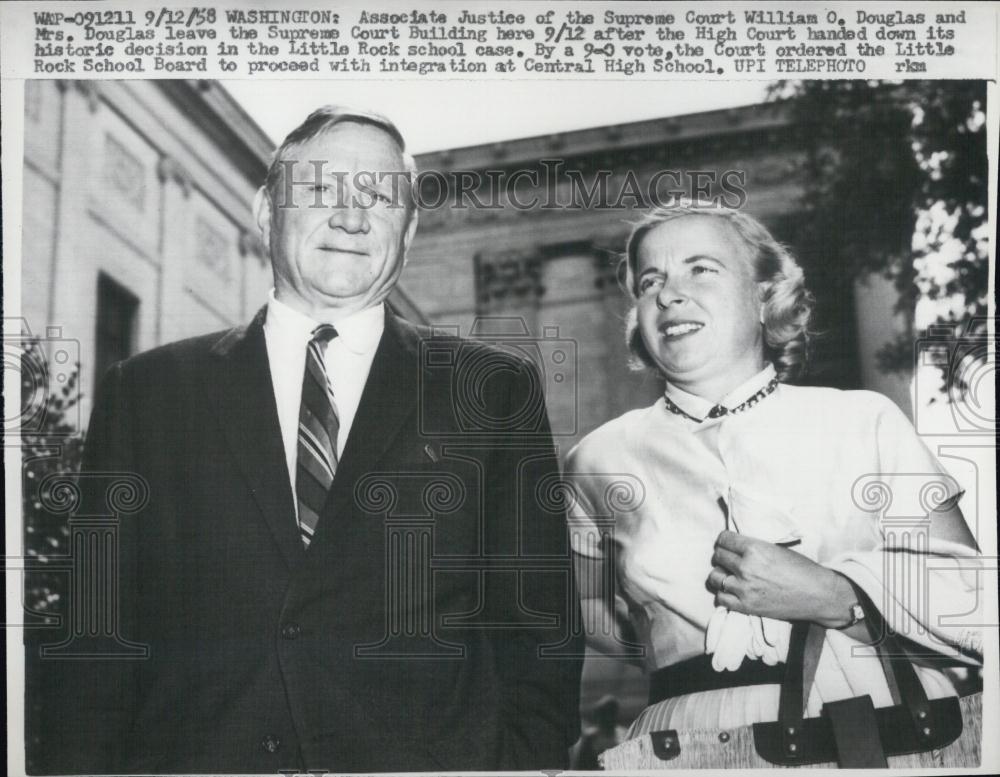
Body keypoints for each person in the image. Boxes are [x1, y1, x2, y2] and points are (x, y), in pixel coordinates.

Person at [41, 106, 581, 773]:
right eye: (322, 189)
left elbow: (539, 642)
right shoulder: (147, 393)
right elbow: (93, 649)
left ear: (408, 230)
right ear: (267, 211)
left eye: (379, 197)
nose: (351, 217)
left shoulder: (493, 390)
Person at [565, 205, 981, 757]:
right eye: (650, 281)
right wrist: (673, 639)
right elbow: (586, 612)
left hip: (883, 724)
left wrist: (841, 597)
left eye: (701, 269)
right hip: (686, 739)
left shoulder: (863, 420)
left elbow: (977, 607)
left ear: (765, 295)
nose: (668, 295)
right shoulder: (597, 458)